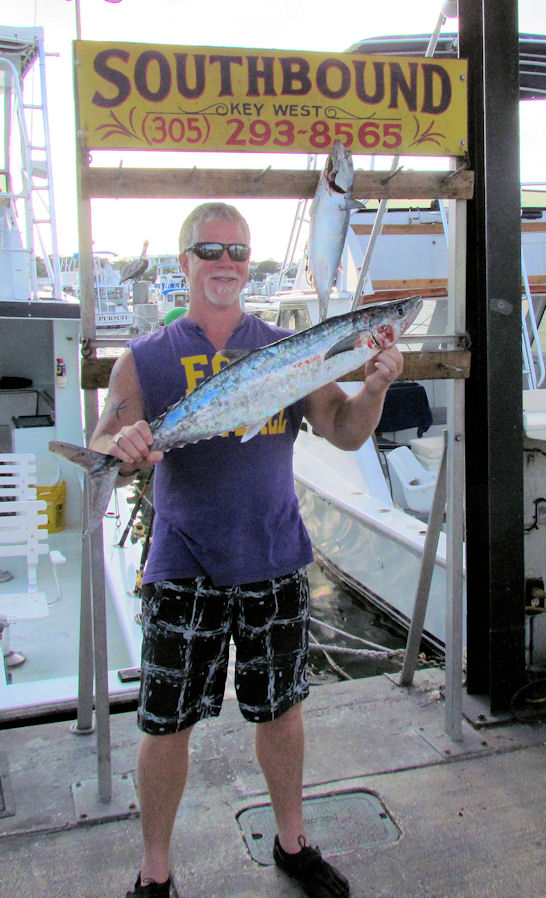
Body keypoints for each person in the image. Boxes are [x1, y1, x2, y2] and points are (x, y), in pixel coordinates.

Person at [90, 202, 404, 898]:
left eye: (238, 251)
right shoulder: (145, 358)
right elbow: (102, 442)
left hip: (273, 558)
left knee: (281, 713)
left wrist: (375, 386)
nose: (225, 263)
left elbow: (346, 432)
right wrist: (125, 447)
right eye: (209, 250)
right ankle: (155, 871)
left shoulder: (286, 351)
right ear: (185, 264)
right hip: (182, 566)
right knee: (167, 724)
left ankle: (292, 844)